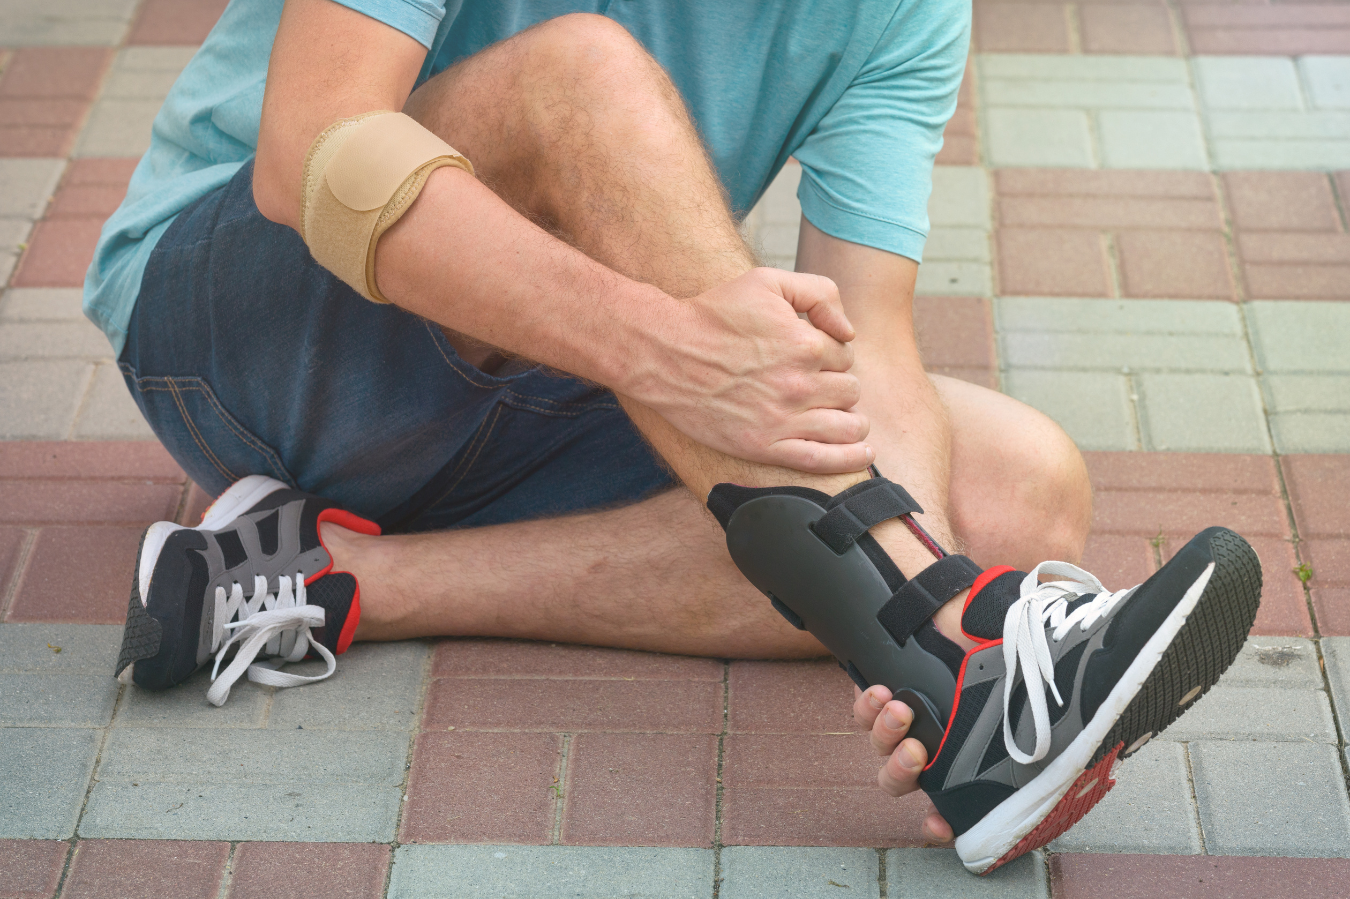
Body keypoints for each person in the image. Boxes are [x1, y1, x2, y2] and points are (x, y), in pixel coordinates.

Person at [89, 0, 1262, 874]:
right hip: (243, 333)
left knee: (1020, 490)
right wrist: (664, 351)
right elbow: (312, 149)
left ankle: (342, 578)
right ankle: (967, 668)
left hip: (548, 357)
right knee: (581, 73)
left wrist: (916, 571)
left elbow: (872, 335)